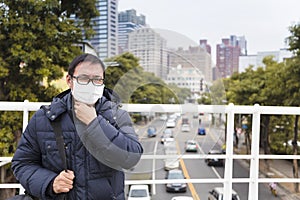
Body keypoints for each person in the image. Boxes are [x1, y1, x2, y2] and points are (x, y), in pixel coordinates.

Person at [11, 54, 143, 200]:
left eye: (97, 79)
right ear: (70, 80)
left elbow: (132, 157)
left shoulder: (117, 115)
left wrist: (95, 124)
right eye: (84, 78)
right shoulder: (44, 118)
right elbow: (22, 163)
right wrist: (50, 183)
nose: (91, 84)